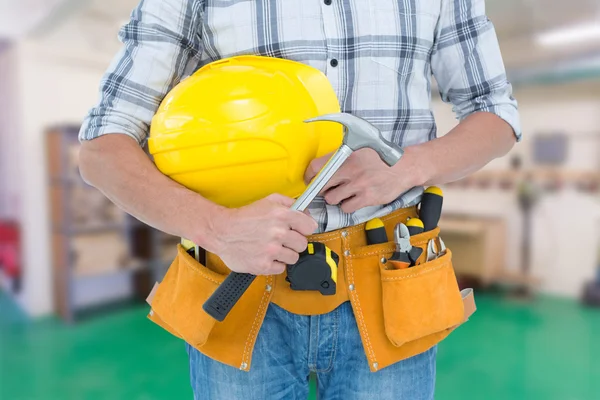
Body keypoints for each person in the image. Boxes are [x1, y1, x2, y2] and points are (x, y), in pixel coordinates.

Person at [78, 0, 521, 399]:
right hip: (242, 284)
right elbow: (101, 149)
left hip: (389, 278)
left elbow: (495, 112)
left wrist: (405, 167)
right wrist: (217, 228)